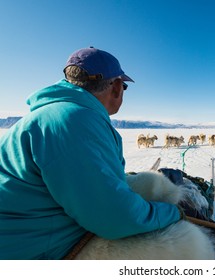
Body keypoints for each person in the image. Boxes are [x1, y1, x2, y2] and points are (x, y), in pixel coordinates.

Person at [0, 47, 184, 259]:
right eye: (123, 85)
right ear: (115, 87)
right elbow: (113, 218)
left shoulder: (56, 114)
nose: (122, 91)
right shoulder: (74, 123)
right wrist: (174, 213)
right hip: (34, 249)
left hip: (34, 229)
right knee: (179, 241)